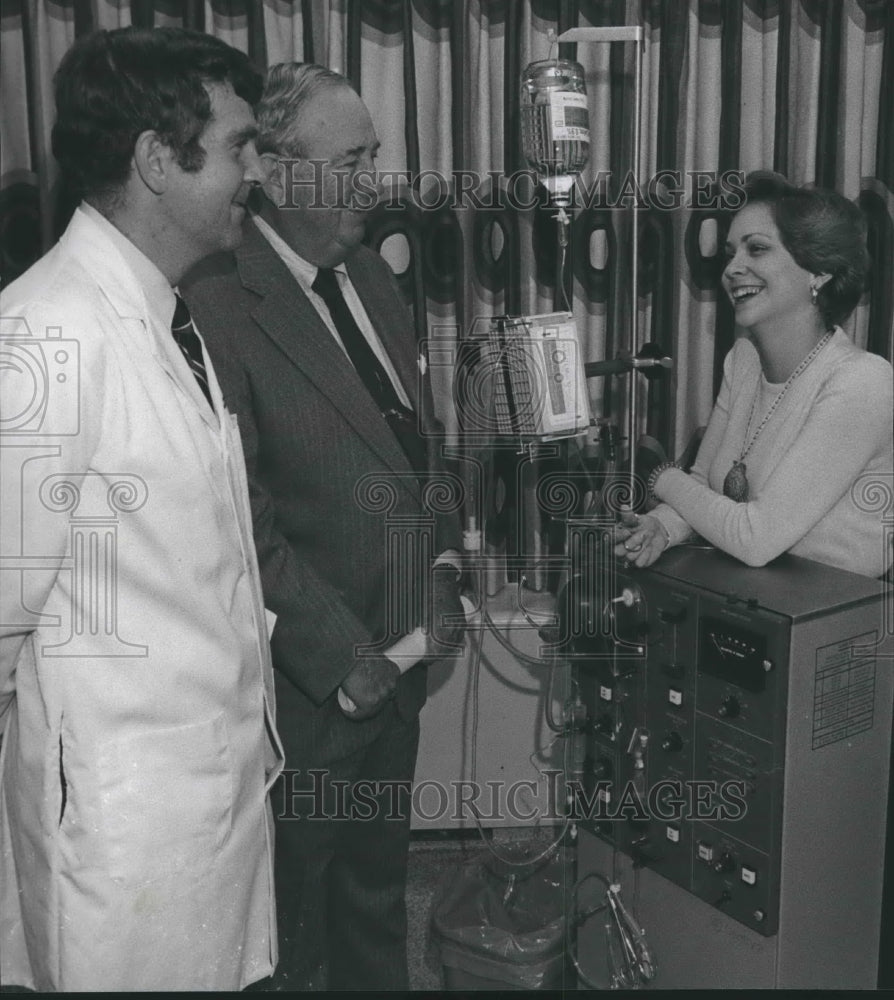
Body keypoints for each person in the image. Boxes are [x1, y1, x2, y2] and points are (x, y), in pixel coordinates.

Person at [0, 27, 282, 992]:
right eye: (242, 145)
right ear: (159, 160)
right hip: (124, 835)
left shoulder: (168, 311)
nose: (258, 168)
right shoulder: (47, 333)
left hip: (198, 806)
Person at [182, 63, 464, 990]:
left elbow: (416, 452)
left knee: (377, 903)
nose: (374, 184)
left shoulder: (371, 280)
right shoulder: (216, 302)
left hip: (402, 667)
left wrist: (445, 573)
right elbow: (237, 515)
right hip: (313, 689)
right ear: (274, 170)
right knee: (293, 932)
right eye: (351, 162)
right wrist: (345, 661)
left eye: (376, 157)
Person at [614, 172, 893, 579]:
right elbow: (703, 486)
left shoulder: (864, 381)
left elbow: (755, 538)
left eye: (757, 249)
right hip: (752, 601)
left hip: (833, 623)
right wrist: (664, 528)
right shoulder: (743, 359)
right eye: (731, 253)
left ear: (819, 271)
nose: (732, 268)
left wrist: (659, 477)